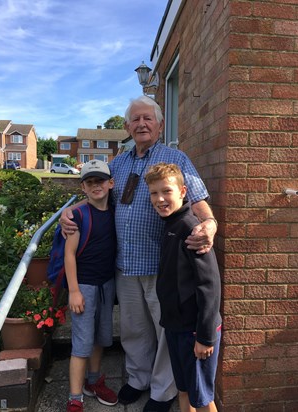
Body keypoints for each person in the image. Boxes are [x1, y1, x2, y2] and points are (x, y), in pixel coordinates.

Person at [60, 96, 218, 412]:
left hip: (162, 266)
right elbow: (97, 194)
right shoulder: (118, 162)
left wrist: (210, 223)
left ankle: (162, 392)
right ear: (127, 126)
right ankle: (137, 378)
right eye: (135, 119)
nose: (141, 124)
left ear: (159, 125)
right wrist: (71, 211)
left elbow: (197, 198)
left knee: (164, 333)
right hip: (125, 264)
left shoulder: (175, 158)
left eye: (148, 118)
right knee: (133, 330)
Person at [144, 163, 222, 412]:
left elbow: (209, 286)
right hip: (176, 327)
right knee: (184, 389)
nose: (160, 199)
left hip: (196, 331)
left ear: (183, 191)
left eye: (166, 191)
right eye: (154, 193)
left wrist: (205, 336)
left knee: (202, 398)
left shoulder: (191, 229)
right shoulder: (170, 225)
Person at [65, 160, 118, 412]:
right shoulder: (77, 216)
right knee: (81, 343)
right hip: (84, 286)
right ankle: (75, 397)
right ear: (83, 188)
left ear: (111, 183)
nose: (96, 186)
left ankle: (93, 381)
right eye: (90, 182)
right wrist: (73, 290)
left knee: (100, 338)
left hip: (106, 284)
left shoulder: (115, 210)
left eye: (100, 181)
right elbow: (69, 255)